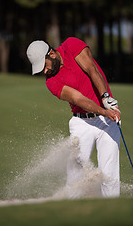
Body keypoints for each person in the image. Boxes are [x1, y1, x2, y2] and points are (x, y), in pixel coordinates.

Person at [26, 37, 121, 198]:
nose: (44, 71)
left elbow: (92, 70)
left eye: (44, 66)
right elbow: (79, 99)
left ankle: (111, 213)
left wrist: (106, 98)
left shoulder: (71, 45)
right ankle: (73, 212)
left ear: (51, 54)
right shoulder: (51, 82)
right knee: (75, 176)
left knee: (109, 174)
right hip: (82, 123)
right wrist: (104, 111)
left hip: (107, 121)